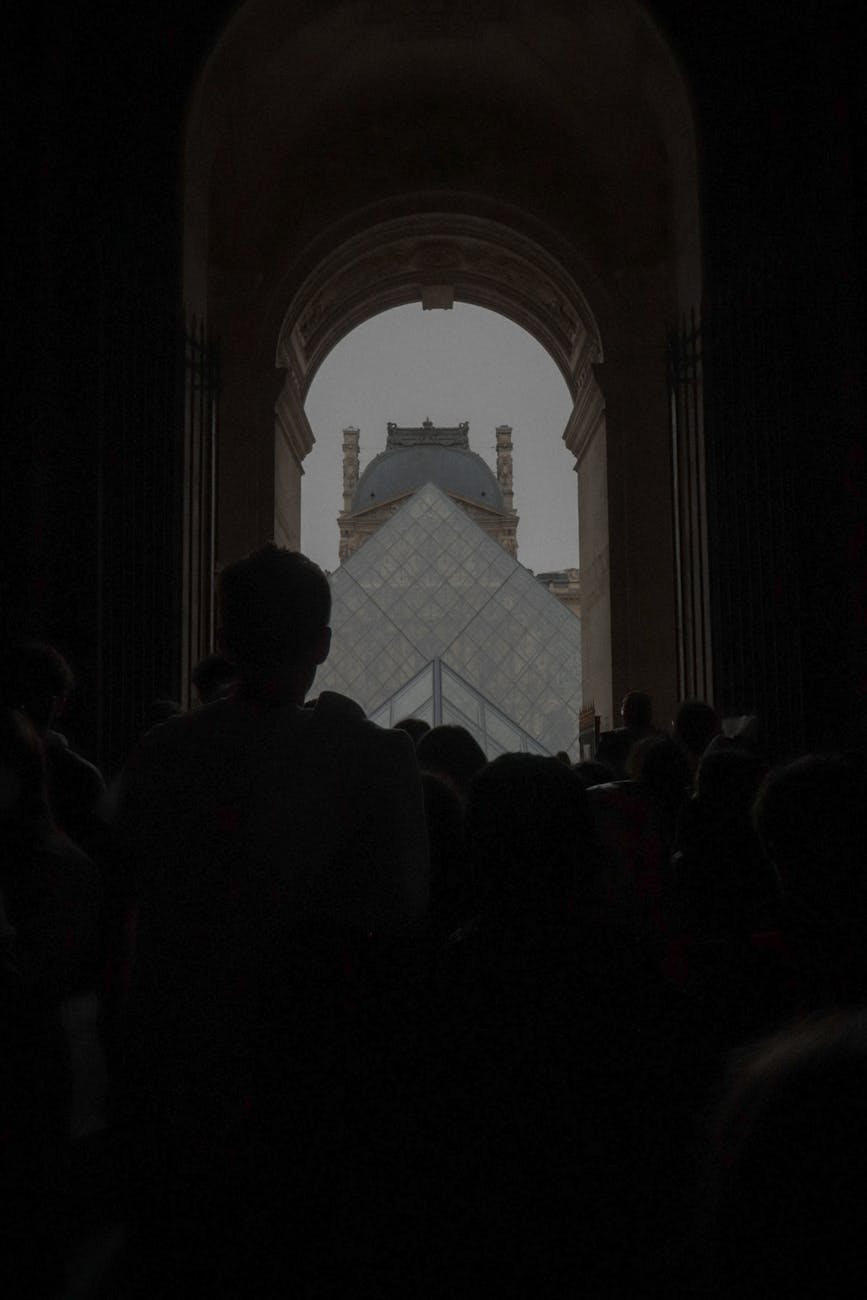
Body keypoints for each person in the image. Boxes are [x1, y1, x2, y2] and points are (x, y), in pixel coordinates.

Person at [110, 546, 430, 1291]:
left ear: (222, 641)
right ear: (323, 644)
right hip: (326, 1087)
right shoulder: (378, 758)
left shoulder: (160, 756)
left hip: (190, 1085)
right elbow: (403, 913)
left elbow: (128, 918)